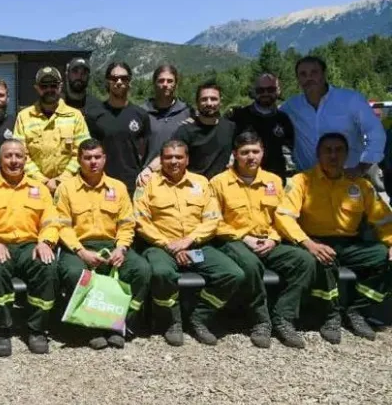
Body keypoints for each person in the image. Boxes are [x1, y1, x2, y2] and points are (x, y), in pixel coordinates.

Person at [275, 132, 392, 343]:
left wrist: (391, 242)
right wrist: (307, 243)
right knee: (324, 259)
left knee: (383, 256)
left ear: (347, 155)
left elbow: (383, 219)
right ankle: (330, 316)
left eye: (339, 150)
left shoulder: (361, 185)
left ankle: (357, 310)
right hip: (315, 241)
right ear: (318, 154)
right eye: (327, 150)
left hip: (350, 244)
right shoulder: (302, 181)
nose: (333, 155)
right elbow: (284, 216)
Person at [134, 140, 246, 347]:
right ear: (161, 160)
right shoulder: (147, 184)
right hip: (160, 248)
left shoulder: (201, 183)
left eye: (179, 157)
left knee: (232, 274)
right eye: (168, 157)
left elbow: (212, 218)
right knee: (161, 273)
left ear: (187, 159)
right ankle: (171, 322)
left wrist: (188, 241)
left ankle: (199, 318)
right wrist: (168, 245)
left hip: (197, 248)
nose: (173, 161)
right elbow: (141, 221)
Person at [209, 132, 316, 348]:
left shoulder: (273, 181)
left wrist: (274, 239)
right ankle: (260, 320)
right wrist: (244, 237)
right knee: (250, 265)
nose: (251, 157)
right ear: (235, 154)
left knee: (305, 261)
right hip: (235, 241)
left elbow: (282, 216)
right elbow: (214, 221)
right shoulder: (218, 182)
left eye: (255, 151)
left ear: (262, 153)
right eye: (245, 152)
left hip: (269, 240)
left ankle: (283, 317)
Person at [55, 140, 151, 349]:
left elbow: (127, 224)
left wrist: (121, 248)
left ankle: (120, 324)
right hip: (79, 246)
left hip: (112, 244)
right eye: (87, 158)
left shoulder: (118, 187)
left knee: (141, 270)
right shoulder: (66, 188)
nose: (93, 162)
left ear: (104, 159)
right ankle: (91, 327)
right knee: (73, 273)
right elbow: (62, 226)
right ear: (79, 160)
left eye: (97, 157)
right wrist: (81, 252)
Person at [0, 139, 60, 357]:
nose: (14, 160)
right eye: (8, 156)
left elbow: (51, 221)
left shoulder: (40, 189)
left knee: (47, 268)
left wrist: (45, 242)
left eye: (18, 156)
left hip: (31, 245)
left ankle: (36, 329)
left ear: (26, 159)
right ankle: (2, 329)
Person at [281, 56, 384, 176]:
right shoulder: (291, 107)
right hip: (309, 182)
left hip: (349, 179)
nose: (309, 78)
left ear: (324, 74)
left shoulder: (351, 100)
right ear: (298, 79)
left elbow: (377, 133)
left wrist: (362, 167)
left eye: (314, 72)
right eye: (303, 74)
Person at [13, 66, 90, 197]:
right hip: (34, 188)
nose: (49, 89)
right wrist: (42, 181)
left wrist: (61, 180)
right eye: (44, 86)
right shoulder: (23, 117)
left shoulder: (75, 116)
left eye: (53, 85)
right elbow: (20, 154)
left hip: (70, 188)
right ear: (37, 88)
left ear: (60, 86)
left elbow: (83, 152)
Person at [82, 62, 151, 194]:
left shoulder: (141, 115)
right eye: (114, 78)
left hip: (132, 183)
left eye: (123, 78)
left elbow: (145, 150)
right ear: (107, 82)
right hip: (101, 182)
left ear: (129, 81)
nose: (119, 82)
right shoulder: (94, 115)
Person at [226, 74, 294, 181]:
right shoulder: (238, 116)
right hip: (242, 179)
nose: (265, 93)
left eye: (270, 89)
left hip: (274, 179)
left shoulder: (283, 119)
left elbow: (289, 149)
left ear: (278, 91)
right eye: (260, 90)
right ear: (254, 92)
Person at [168, 81, 235, 180]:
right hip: (193, 185)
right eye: (204, 99)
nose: (209, 103)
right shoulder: (185, 131)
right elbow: (170, 156)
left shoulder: (231, 128)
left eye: (213, 99)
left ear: (221, 101)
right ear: (197, 102)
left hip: (222, 185)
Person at [141, 64, 191, 165]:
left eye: (170, 81)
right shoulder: (141, 112)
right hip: (148, 172)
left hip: (178, 171)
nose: (165, 84)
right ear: (154, 83)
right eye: (161, 80)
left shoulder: (188, 112)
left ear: (176, 84)